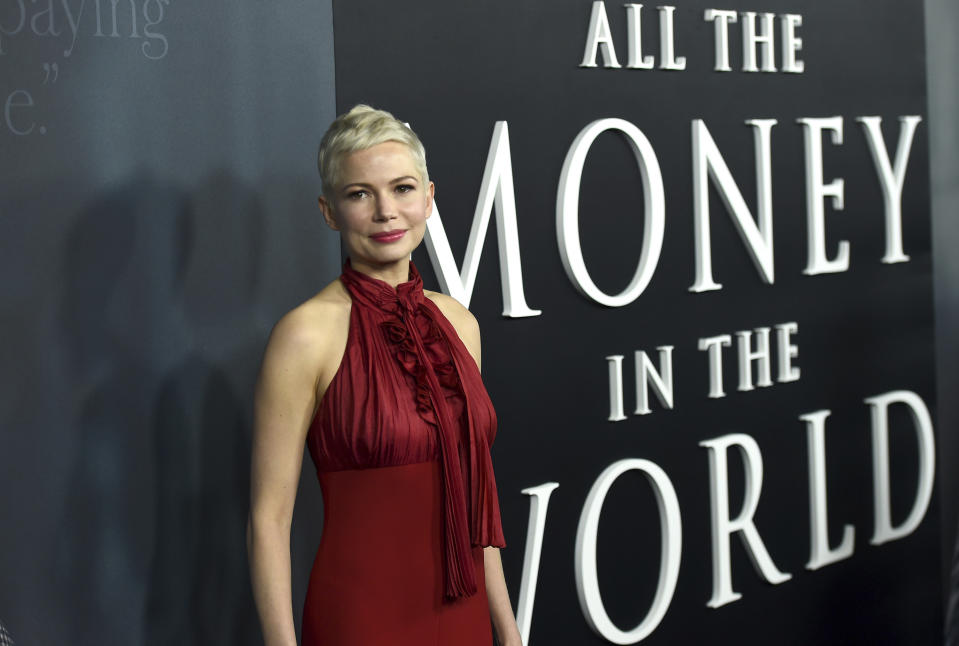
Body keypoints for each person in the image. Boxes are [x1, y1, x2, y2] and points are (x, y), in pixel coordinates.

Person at [247, 105, 523, 646]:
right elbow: (268, 521)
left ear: (429, 198)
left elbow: (474, 500)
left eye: (401, 189)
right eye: (359, 194)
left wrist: (508, 632)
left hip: (463, 619)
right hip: (362, 619)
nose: (386, 213)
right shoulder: (304, 335)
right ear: (329, 212)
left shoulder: (460, 324)